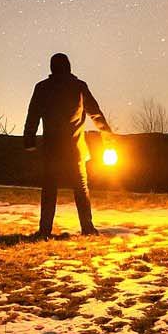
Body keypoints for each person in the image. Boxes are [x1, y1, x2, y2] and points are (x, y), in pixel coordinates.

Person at [22, 51, 114, 236]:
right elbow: (95, 113)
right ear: (69, 67)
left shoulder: (42, 88)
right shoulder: (78, 87)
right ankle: (87, 228)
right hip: (75, 149)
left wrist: (29, 140)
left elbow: (33, 115)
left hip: (52, 149)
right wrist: (108, 137)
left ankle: (45, 230)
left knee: (49, 189)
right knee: (81, 188)